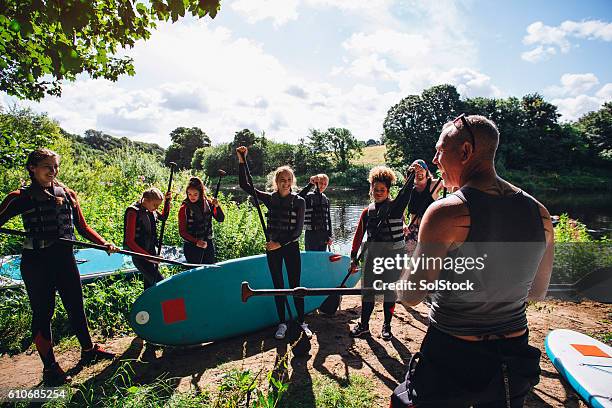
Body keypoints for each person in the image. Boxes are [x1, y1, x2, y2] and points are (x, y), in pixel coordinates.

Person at [392, 115, 554, 407]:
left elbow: (410, 296)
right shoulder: (540, 213)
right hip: (513, 356)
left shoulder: (447, 211)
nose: (435, 158)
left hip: (453, 355)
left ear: (465, 152)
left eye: (440, 150)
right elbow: (536, 291)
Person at [0, 148, 119, 386]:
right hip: (37, 262)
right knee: (43, 313)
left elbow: (83, 228)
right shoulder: (20, 197)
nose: (53, 171)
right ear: (32, 168)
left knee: (76, 305)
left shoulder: (67, 193)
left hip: (64, 258)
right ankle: (50, 369)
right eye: (47, 166)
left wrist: (103, 243)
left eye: (56, 167)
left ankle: (88, 350)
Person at [236, 146, 310, 340]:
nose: (285, 183)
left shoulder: (299, 201)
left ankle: (302, 321)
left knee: (295, 285)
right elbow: (245, 185)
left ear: (292, 182)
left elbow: (297, 231)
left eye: (288, 180)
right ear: (276, 182)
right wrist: (242, 161)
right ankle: (282, 323)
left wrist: (280, 244)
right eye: (281, 180)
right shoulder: (270, 199)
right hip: (272, 249)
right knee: (278, 286)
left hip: (290, 247)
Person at [349, 165, 414, 341]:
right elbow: (358, 236)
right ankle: (363, 326)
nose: (378, 192)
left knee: (389, 292)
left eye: (382, 190)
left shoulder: (396, 208)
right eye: (376, 189)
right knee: (368, 292)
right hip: (372, 256)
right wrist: (353, 257)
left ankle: (387, 326)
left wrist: (411, 175)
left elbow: (406, 194)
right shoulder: (366, 212)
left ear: (388, 190)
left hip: (394, 256)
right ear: (371, 189)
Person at [123, 187, 172, 290]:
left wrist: (167, 202)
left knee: (149, 288)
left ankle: (148, 306)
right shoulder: (133, 212)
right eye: (155, 205)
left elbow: (163, 217)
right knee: (161, 284)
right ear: (145, 200)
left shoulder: (150, 209)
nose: (156, 208)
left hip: (151, 254)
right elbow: (129, 241)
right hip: (140, 257)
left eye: (158, 206)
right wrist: (149, 257)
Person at [178, 177, 225, 264]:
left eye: (195, 194)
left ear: (200, 193)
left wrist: (217, 206)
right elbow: (182, 232)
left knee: (208, 272)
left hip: (208, 245)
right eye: (189, 194)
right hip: (192, 247)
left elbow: (220, 219)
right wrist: (197, 242)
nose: (192, 197)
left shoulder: (208, 203)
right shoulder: (184, 208)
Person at [404, 160, 443, 255]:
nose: (419, 172)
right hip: (412, 232)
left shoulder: (434, 184)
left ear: (426, 171)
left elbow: (452, 183)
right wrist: (403, 224)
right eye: (415, 171)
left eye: (421, 169)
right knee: (409, 263)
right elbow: (400, 210)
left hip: (429, 231)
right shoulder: (409, 188)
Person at [298, 174, 333, 251]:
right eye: (321, 183)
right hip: (311, 234)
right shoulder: (308, 196)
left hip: (324, 234)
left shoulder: (326, 199)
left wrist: (330, 235)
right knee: (311, 257)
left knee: (321, 258)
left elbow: (329, 219)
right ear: (316, 183)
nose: (323, 186)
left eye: (325, 184)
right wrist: (310, 184)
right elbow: (298, 198)